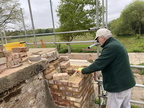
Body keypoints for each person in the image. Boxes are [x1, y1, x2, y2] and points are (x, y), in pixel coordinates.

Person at [78, 28, 136, 108]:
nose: (98, 41)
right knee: (125, 106)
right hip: (125, 83)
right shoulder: (115, 43)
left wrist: (83, 70)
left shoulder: (111, 47)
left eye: (98, 39)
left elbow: (99, 64)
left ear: (102, 37)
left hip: (117, 86)